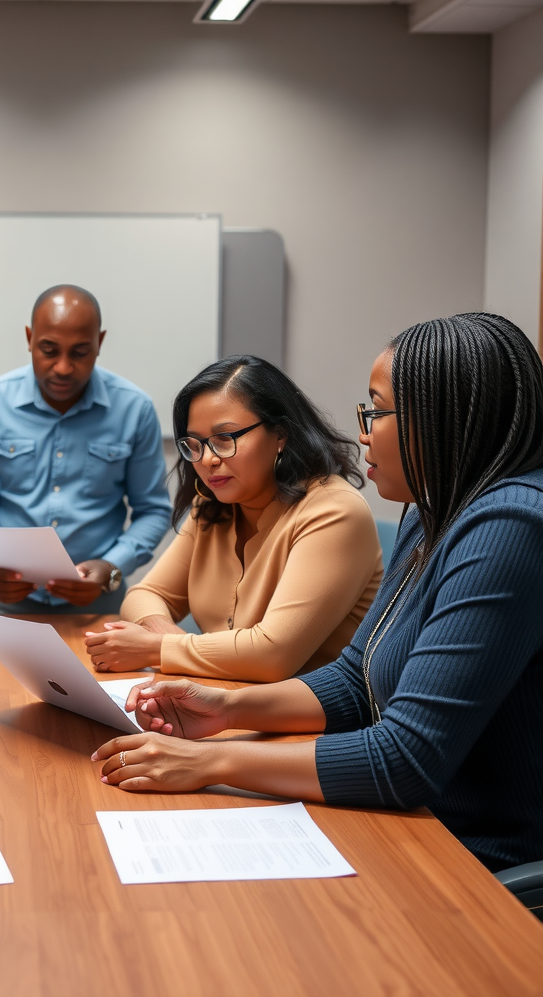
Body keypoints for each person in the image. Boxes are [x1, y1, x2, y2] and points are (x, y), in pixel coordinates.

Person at [92, 312, 543, 871]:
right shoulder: (430, 513)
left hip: (468, 854)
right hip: (402, 820)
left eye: (376, 412)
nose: (362, 432)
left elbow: (406, 758)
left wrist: (211, 762)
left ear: (441, 418)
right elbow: (357, 680)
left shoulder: (512, 527)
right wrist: (228, 709)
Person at [84, 356, 382, 681]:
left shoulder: (335, 510)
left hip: (313, 725)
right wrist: (170, 641)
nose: (208, 459)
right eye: (194, 444)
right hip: (220, 704)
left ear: (280, 435)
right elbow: (144, 595)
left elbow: (272, 655)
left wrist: (157, 649)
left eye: (225, 439)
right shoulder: (210, 506)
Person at [0, 285, 171, 614]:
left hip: (100, 604)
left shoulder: (134, 409)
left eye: (80, 352)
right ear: (29, 338)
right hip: (6, 602)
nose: (64, 367)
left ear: (100, 342)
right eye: (49, 350)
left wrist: (111, 567)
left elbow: (153, 510)